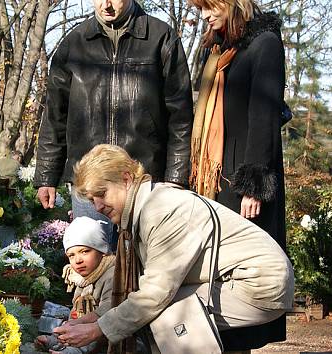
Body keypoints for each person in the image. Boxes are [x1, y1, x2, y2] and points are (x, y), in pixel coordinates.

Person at [52, 144, 294, 353]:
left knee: (163, 311)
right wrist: (93, 318)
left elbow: (154, 294)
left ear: (126, 179)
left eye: (101, 194)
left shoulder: (162, 211)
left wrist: (98, 330)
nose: (98, 206)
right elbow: (136, 289)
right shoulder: (145, 207)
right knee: (154, 311)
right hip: (241, 278)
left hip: (258, 283)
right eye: (92, 199)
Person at [33, 0, 194, 248]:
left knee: (144, 267)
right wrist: (46, 175)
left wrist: (176, 177)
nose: (106, 5)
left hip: (144, 180)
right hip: (88, 183)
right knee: (93, 265)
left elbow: (180, 117)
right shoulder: (74, 44)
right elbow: (55, 116)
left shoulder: (160, 38)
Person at [187, 0, 288, 350]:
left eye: (209, 6)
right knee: (211, 274)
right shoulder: (217, 48)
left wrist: (254, 186)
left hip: (242, 181)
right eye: (199, 8)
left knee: (238, 277)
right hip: (212, 180)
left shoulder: (265, 44)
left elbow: (265, 116)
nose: (204, 15)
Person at [35, 216, 115, 354]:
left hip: (104, 338)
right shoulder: (82, 278)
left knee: (91, 328)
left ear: (102, 251)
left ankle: (71, 351)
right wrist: (59, 336)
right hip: (84, 334)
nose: (77, 260)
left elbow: (106, 314)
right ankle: (58, 342)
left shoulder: (112, 275)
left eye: (85, 251)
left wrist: (75, 329)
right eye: (71, 255)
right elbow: (76, 315)